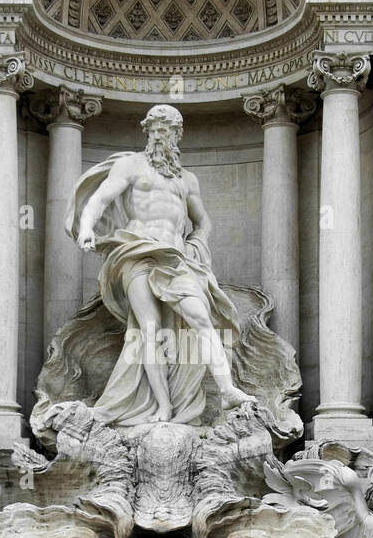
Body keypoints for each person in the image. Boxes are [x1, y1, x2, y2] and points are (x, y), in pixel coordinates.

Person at [66, 104, 251, 425]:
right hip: (137, 252)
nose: (158, 136)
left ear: (177, 135)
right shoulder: (130, 165)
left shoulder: (187, 180)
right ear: (146, 132)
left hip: (177, 259)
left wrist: (197, 244)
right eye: (153, 130)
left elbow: (204, 222)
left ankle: (227, 390)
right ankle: (163, 408)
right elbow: (101, 198)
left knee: (201, 319)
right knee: (147, 332)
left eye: (165, 130)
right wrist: (85, 228)